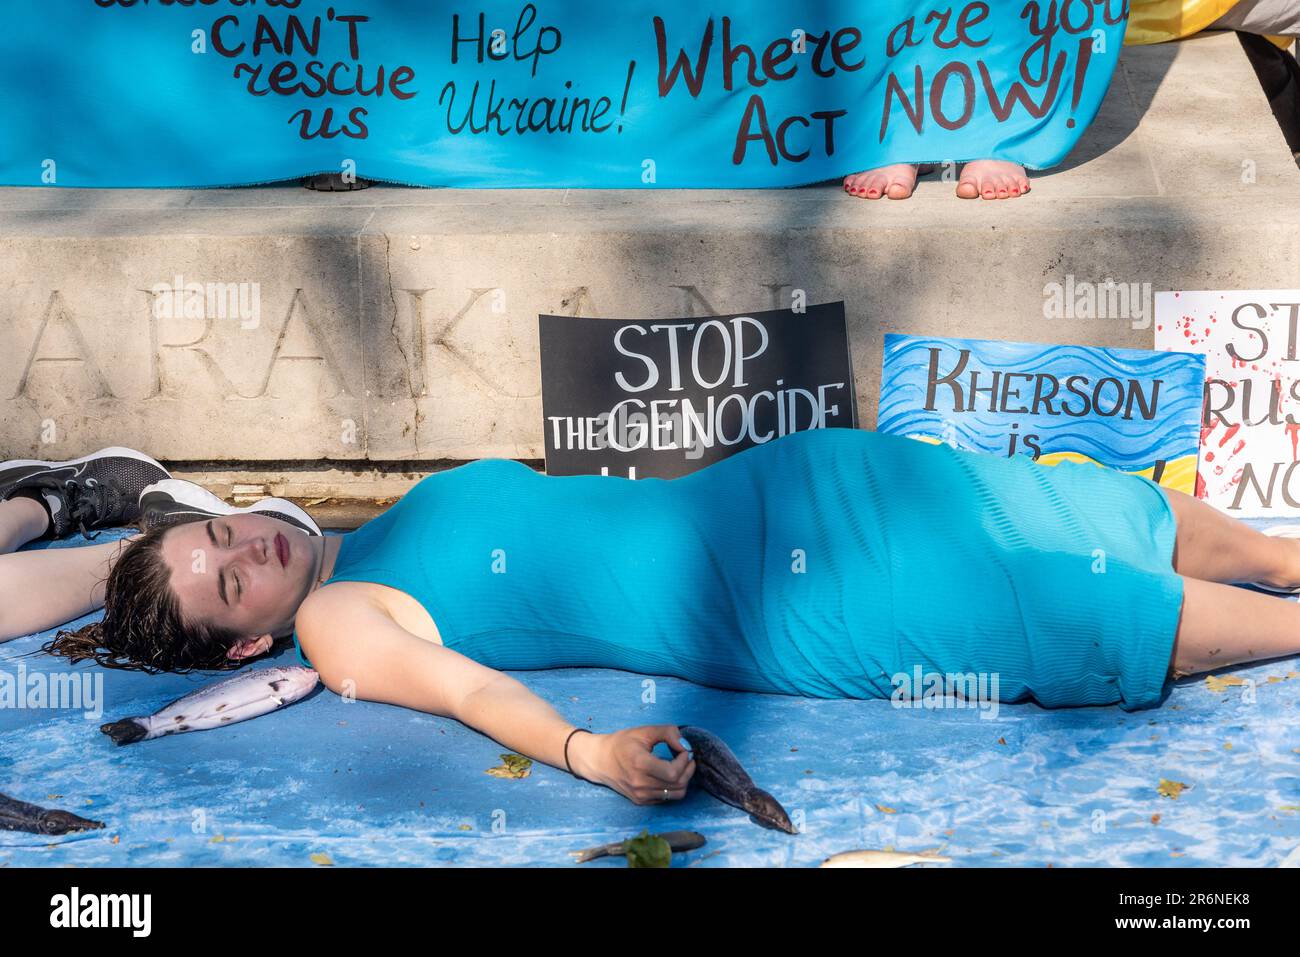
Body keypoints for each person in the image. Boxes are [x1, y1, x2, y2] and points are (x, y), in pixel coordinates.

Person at [3, 428, 1300, 808]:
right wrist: (588, 753)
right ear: (246, 642)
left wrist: (70, 515)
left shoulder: (351, 535)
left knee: (1104, 516)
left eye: (222, 529)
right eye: (230, 577)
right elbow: (465, 694)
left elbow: (154, 524)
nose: (247, 543)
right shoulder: (342, 616)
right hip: (793, 599)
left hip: (795, 484)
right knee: (1068, 603)